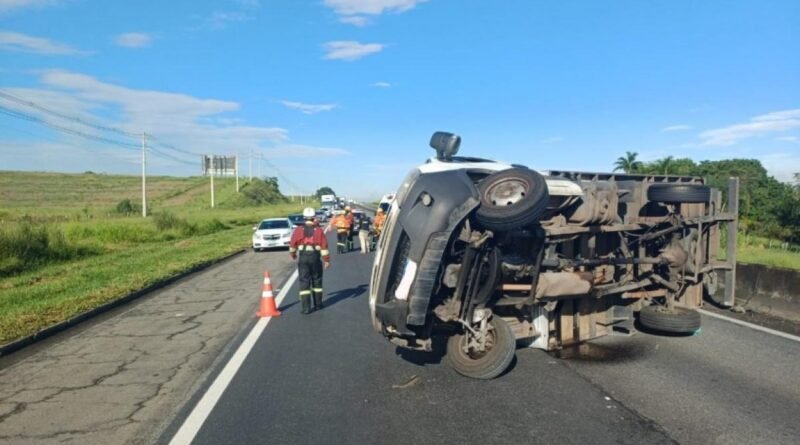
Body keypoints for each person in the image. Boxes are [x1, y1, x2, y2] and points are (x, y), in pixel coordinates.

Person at [289, 207, 330, 314]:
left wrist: (293, 255)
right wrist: (326, 260)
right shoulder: (319, 231)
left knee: (304, 282)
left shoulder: (298, 230)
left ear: (304, 217)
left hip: (303, 258)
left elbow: (292, 245)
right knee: (317, 280)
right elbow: (324, 247)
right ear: (314, 217)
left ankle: (306, 308)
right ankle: (318, 305)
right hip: (315, 258)